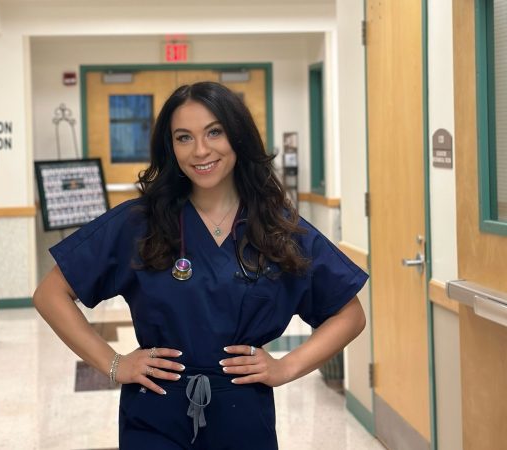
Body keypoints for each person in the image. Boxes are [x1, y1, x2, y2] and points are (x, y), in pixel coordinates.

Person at [33, 81, 368, 449]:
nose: (200, 150)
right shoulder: (139, 223)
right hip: (155, 411)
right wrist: (114, 363)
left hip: (243, 414)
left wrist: (285, 367)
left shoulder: (276, 229)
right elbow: (50, 294)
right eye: (183, 137)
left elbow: (349, 315)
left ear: (237, 137)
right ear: (170, 146)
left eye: (214, 132)